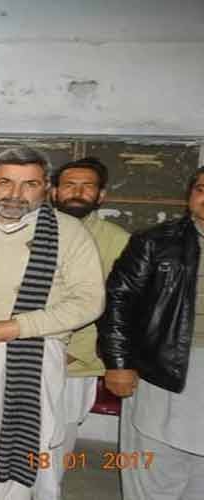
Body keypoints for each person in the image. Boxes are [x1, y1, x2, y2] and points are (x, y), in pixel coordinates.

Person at [0, 147, 104, 500]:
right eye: (5, 182)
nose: (15, 194)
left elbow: (89, 301)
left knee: (10, 467)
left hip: (31, 356)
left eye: (30, 184)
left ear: (46, 188)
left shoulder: (69, 232)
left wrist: (15, 327)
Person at [98, 166, 204, 500]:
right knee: (154, 468)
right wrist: (118, 363)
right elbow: (118, 300)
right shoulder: (155, 241)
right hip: (164, 366)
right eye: (201, 189)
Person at [49, 157, 129, 480]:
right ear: (54, 191)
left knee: (57, 444)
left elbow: (116, 306)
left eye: (87, 186)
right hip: (24, 350)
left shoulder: (118, 240)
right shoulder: (34, 228)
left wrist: (74, 352)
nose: (77, 192)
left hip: (76, 361)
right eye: (69, 185)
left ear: (101, 195)